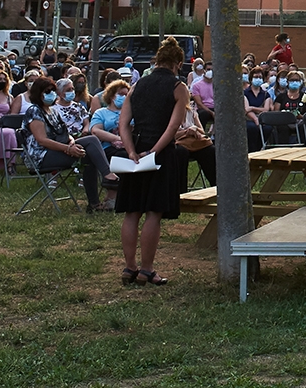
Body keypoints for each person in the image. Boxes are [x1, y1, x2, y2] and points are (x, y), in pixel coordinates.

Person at [115, 36, 191, 284]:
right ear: (177, 63)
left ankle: (129, 267)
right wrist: (155, 152)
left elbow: (123, 124)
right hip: (160, 153)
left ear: (157, 60)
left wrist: (131, 152)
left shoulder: (137, 86)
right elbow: (173, 127)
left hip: (136, 150)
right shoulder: (179, 87)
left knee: (132, 211)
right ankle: (147, 270)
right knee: (153, 212)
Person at [23, 77, 108, 210]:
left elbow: (65, 134)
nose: (52, 93)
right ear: (38, 93)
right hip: (41, 156)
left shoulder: (53, 111)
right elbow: (42, 140)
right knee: (88, 152)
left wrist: (72, 143)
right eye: (47, 91)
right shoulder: (34, 111)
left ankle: (95, 202)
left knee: (90, 143)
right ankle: (108, 178)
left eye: (53, 90)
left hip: (58, 149)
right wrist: (68, 149)